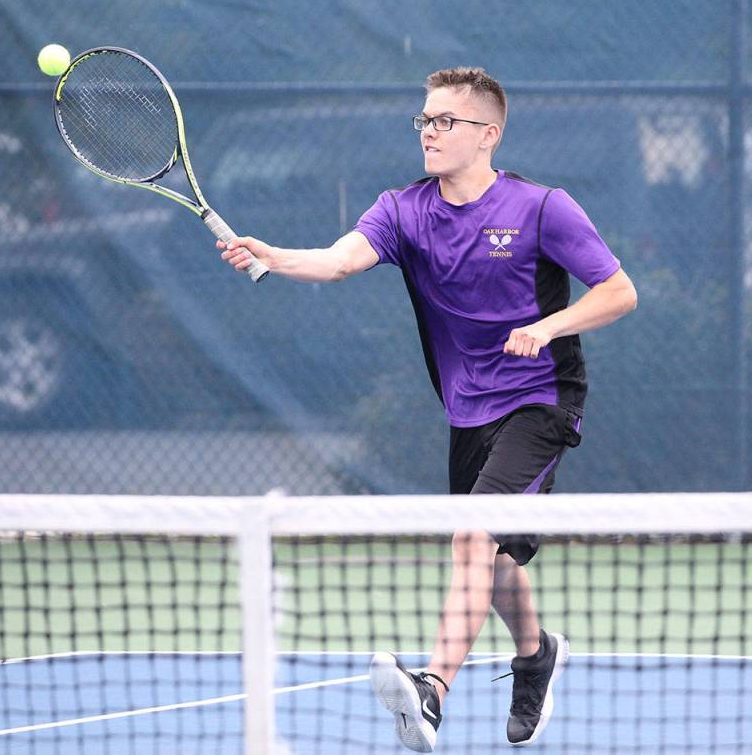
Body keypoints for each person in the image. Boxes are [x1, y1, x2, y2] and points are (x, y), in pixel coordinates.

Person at [218, 67, 637, 751]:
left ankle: (431, 693)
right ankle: (536, 656)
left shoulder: (542, 208)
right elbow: (339, 261)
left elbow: (619, 291)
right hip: (469, 411)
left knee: (472, 539)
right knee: (494, 561)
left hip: (541, 400)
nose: (431, 132)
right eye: (426, 121)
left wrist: (550, 327)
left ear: (487, 135)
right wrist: (275, 257)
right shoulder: (403, 209)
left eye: (446, 121)